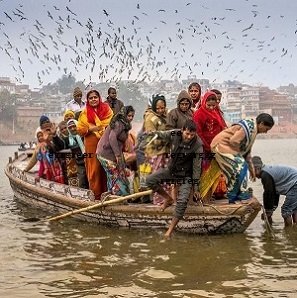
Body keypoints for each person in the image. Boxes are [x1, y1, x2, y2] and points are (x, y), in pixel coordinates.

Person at [145, 119, 203, 238]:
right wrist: (152, 133)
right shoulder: (175, 133)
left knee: (182, 202)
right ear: (182, 130)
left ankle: (169, 231)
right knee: (150, 180)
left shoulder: (198, 145)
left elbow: (197, 168)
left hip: (186, 175)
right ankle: (168, 198)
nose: (189, 137)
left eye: (192, 135)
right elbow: (163, 134)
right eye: (187, 134)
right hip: (172, 170)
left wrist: (196, 188)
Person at [210, 113, 275, 203]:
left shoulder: (253, 130)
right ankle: (237, 194)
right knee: (240, 166)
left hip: (226, 147)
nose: (266, 132)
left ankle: (234, 194)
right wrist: (238, 156)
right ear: (261, 123)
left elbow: (247, 153)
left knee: (241, 167)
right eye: (266, 129)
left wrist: (252, 169)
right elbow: (234, 141)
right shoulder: (249, 127)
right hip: (220, 145)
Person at [77, 89, 113, 200]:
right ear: (87, 100)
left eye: (95, 97)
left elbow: (112, 122)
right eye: (91, 98)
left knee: (106, 167)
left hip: (105, 142)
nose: (93, 99)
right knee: (94, 169)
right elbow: (80, 129)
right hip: (91, 143)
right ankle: (96, 195)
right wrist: (93, 128)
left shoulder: (107, 109)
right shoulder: (85, 113)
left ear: (99, 98)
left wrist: (99, 128)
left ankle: (109, 194)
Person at [193, 91, 227, 200]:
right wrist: (208, 147)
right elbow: (198, 133)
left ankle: (210, 196)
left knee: (214, 172)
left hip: (216, 147)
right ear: (204, 102)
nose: (211, 107)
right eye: (209, 105)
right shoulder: (199, 114)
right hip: (203, 148)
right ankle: (203, 197)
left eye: (214, 105)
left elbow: (221, 127)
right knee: (204, 172)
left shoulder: (216, 112)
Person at [96, 106, 135, 196]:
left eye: (132, 116)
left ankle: (111, 195)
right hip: (105, 154)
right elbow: (112, 138)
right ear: (124, 115)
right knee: (115, 175)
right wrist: (118, 155)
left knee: (115, 175)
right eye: (129, 116)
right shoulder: (119, 123)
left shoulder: (125, 124)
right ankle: (116, 197)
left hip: (111, 154)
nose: (131, 118)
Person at [252, 156, 297, 226]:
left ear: (256, 168)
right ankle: (294, 231)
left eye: (251, 171)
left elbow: (269, 193)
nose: (252, 175)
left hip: (295, 184)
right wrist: (272, 208)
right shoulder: (267, 172)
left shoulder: (265, 175)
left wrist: (268, 211)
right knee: (294, 209)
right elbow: (275, 193)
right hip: (295, 182)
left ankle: (288, 232)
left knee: (286, 211)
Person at [143, 94, 170, 204]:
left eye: (162, 108)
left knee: (166, 176)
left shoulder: (167, 114)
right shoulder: (150, 118)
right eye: (157, 108)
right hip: (155, 152)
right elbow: (151, 136)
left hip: (165, 151)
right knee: (157, 176)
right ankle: (159, 201)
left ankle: (168, 199)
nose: (160, 110)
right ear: (153, 107)